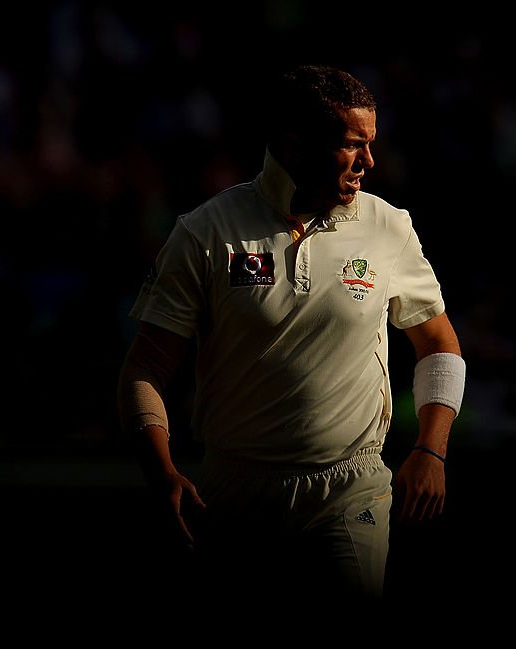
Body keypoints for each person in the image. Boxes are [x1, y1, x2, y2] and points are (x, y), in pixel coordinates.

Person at [117, 65, 464, 602]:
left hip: (351, 486)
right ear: (295, 142)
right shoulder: (206, 231)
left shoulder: (388, 226)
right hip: (231, 493)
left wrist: (431, 451)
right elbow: (146, 368)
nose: (369, 162)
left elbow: (439, 345)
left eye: (371, 145)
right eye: (352, 145)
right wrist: (160, 470)